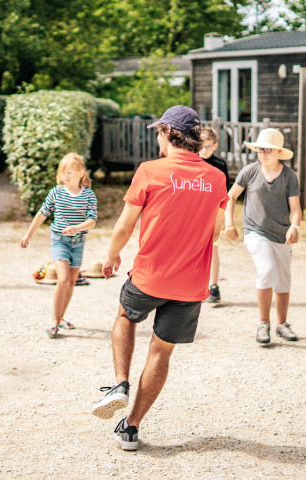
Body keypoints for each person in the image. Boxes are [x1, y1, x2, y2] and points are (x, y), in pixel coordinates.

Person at [91, 106, 228, 451]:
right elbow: (215, 232)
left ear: (169, 132)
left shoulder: (150, 171)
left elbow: (124, 225)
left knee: (125, 317)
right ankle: (131, 428)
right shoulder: (216, 177)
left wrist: (111, 257)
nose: (156, 138)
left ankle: (119, 384)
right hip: (191, 284)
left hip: (150, 276)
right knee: (161, 352)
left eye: (157, 132)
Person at [224, 128, 302, 345]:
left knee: (283, 280)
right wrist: (229, 224)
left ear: (278, 151)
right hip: (255, 232)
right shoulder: (249, 172)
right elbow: (230, 197)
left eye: (267, 149)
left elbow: (295, 208)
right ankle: (263, 323)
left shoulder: (289, 176)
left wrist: (294, 226)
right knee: (266, 270)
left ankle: (282, 324)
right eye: (259, 148)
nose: (263, 152)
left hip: (282, 235)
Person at [20, 153, 97, 337]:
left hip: (78, 243)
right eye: (63, 172)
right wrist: (28, 234)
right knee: (62, 280)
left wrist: (77, 228)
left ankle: (61, 318)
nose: (66, 176)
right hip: (59, 241)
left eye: (70, 172)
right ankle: (54, 321)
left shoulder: (88, 195)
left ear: (81, 173)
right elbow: (42, 213)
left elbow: (92, 220)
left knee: (71, 283)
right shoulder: (56, 192)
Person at [199, 127, 230, 303]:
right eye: (202, 146)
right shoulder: (193, 162)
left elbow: (224, 193)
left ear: (215, 146)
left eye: (209, 147)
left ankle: (213, 286)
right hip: (195, 213)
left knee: (213, 249)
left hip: (213, 213)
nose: (205, 150)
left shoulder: (220, 165)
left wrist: (224, 216)